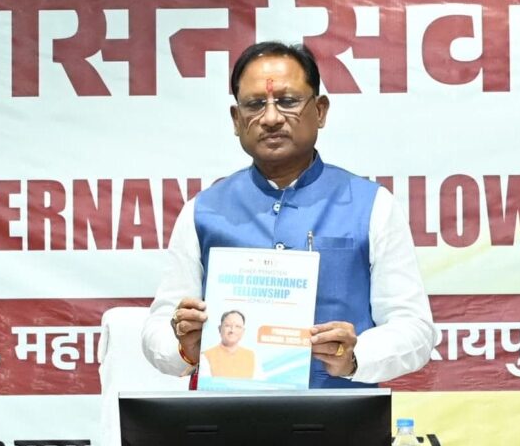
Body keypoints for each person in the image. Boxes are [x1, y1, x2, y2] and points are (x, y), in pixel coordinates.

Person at [144, 41, 437, 387]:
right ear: (236, 120)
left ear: (321, 111)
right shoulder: (203, 211)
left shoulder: (372, 205)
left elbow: (415, 329)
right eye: (255, 104)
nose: (271, 118)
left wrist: (356, 356)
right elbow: (157, 328)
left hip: (341, 414)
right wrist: (184, 347)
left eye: (288, 101)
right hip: (227, 414)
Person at [202, 311, 257, 380]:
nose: (232, 330)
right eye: (228, 325)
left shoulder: (251, 356)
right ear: (219, 329)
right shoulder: (206, 356)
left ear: (243, 331)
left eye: (238, 326)